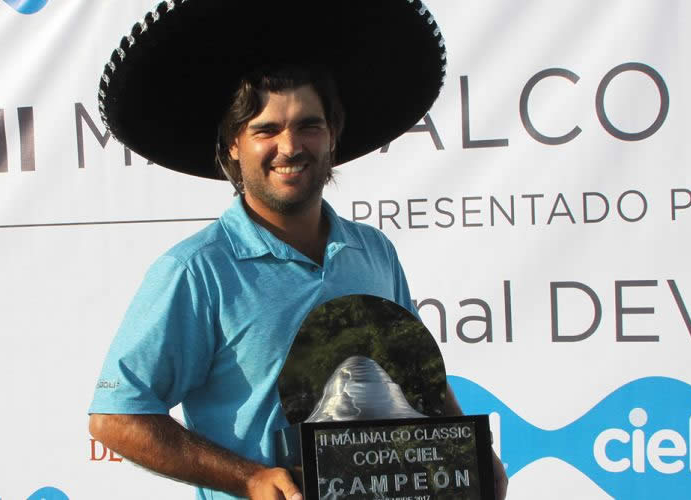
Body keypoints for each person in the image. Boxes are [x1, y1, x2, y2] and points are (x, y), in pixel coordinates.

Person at [88, 2, 507, 499]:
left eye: (309, 125)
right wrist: (250, 478)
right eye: (266, 130)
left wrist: (469, 457)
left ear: (332, 136)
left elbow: (416, 376)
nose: (289, 147)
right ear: (233, 146)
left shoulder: (373, 252)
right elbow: (117, 417)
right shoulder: (197, 271)